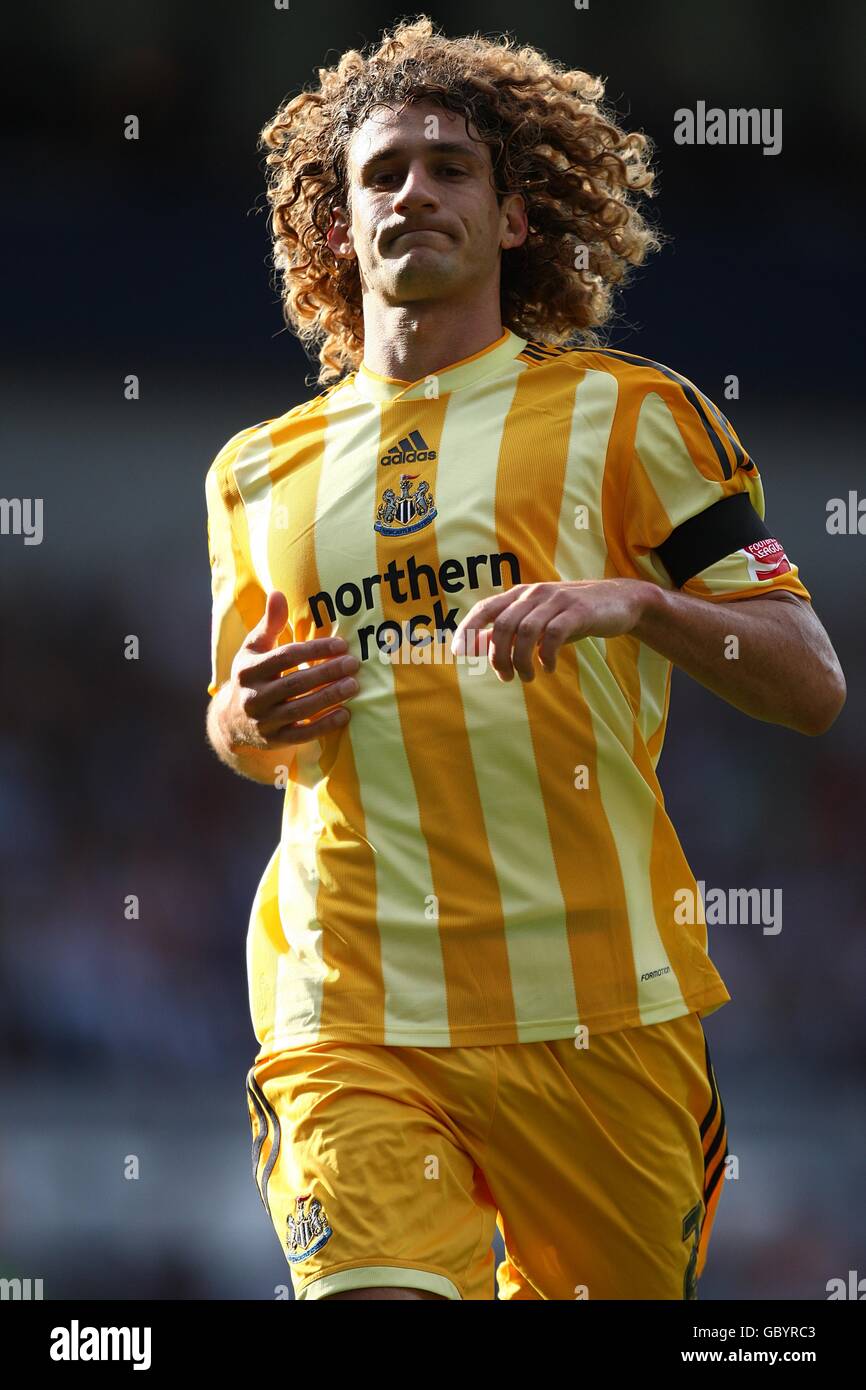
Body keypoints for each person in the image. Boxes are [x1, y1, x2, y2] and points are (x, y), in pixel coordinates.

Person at [204, 17, 845, 1300]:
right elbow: (238, 728)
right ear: (335, 226)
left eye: (450, 167)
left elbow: (806, 680)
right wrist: (245, 709)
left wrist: (636, 606)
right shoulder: (255, 469)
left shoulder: (632, 415)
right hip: (350, 1004)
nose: (414, 192)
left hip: (598, 1009)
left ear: (509, 219)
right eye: (380, 173)